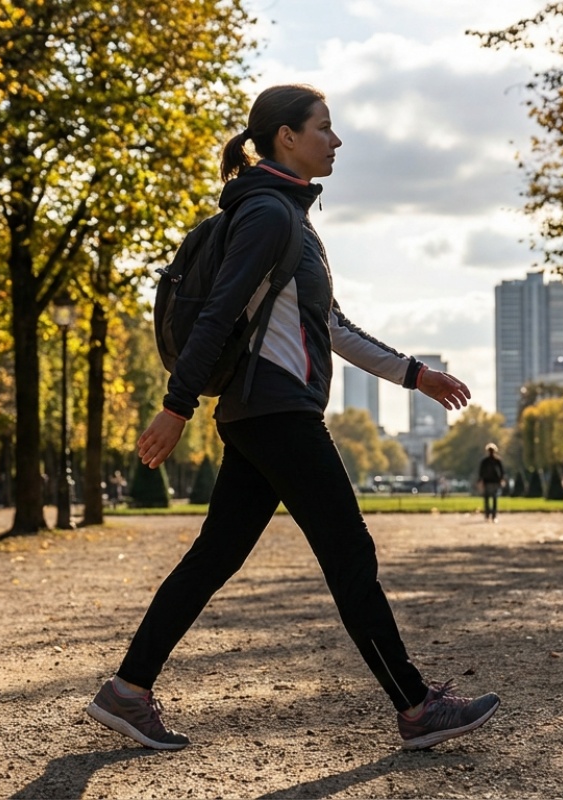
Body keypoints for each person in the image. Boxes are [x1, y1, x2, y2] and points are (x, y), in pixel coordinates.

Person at [86, 84, 499, 752]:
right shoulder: (270, 216)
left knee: (214, 557)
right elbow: (220, 312)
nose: (335, 142)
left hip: (262, 415)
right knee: (350, 556)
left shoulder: (291, 220)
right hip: (277, 414)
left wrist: (415, 374)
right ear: (287, 136)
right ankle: (418, 707)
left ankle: (127, 691)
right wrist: (175, 406)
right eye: (324, 129)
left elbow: (328, 323)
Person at [478, 443, 505, 522]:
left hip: (490, 482)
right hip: (492, 481)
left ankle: (490, 515)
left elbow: (481, 472)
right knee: (493, 499)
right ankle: (491, 515)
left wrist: (480, 480)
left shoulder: (486, 461)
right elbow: (502, 472)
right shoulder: (496, 461)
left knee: (490, 499)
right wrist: (501, 479)